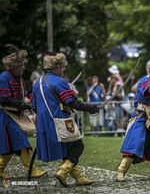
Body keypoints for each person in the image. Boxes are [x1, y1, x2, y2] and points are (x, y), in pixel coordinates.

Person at [31, 51, 99, 187]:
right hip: (60, 121)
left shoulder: (37, 83)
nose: (64, 69)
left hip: (44, 124)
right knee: (77, 145)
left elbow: (34, 107)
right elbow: (72, 103)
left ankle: (78, 177)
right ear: (56, 67)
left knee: (69, 148)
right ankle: (63, 171)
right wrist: (90, 107)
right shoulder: (60, 82)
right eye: (63, 66)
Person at [0, 44, 46, 179]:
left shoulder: (18, 78)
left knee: (12, 146)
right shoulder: (3, 78)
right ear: (14, 67)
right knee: (22, 142)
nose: (24, 68)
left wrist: (29, 102)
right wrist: (21, 104)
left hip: (16, 115)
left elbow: (23, 94)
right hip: (6, 116)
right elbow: (2, 99)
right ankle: (31, 170)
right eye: (21, 66)